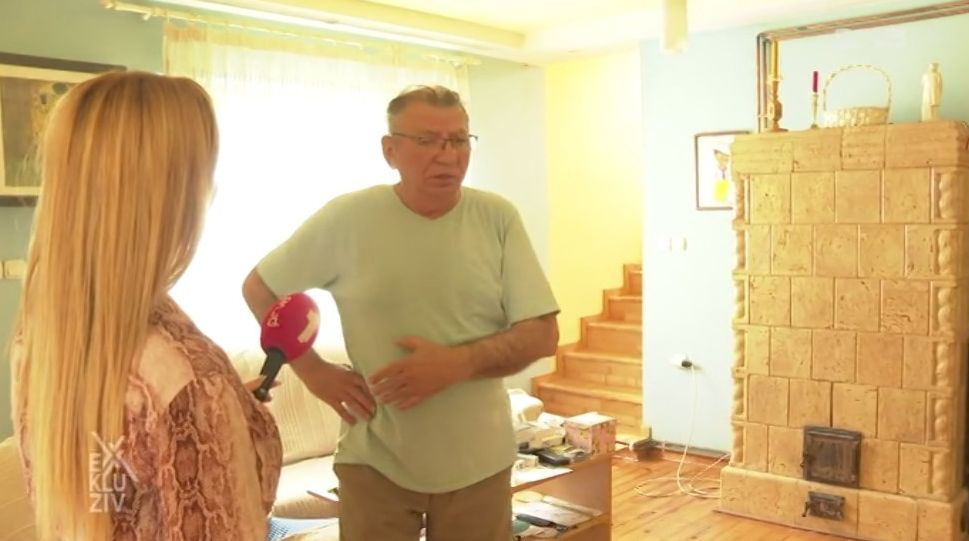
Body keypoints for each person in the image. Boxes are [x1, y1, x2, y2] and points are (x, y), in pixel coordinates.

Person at [242, 85, 560, 541]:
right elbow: (260, 288)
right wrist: (313, 372)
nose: (448, 156)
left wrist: (458, 363)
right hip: (376, 465)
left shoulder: (497, 217)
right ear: (390, 150)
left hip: (479, 464)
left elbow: (543, 334)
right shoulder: (348, 218)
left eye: (459, 140)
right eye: (427, 141)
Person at [10, 71, 289, 540]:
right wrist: (200, 411)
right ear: (174, 196)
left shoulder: (38, 338)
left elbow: (109, 493)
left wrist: (197, 422)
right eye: (206, 174)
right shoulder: (185, 377)